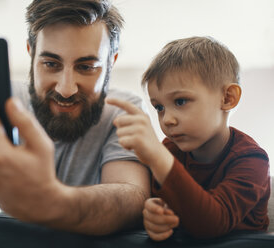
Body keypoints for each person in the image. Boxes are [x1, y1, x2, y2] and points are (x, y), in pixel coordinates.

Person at [0, 0, 150, 235]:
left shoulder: (123, 110)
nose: (66, 89)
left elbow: (132, 198)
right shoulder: (2, 102)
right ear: (31, 54)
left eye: (86, 67)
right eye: (51, 64)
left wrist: (51, 201)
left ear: (110, 63)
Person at [107, 36, 270, 240]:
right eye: (159, 107)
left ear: (228, 98)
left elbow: (212, 223)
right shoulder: (170, 150)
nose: (167, 119)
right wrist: (156, 216)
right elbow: (167, 209)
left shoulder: (252, 160)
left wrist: (158, 158)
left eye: (181, 101)